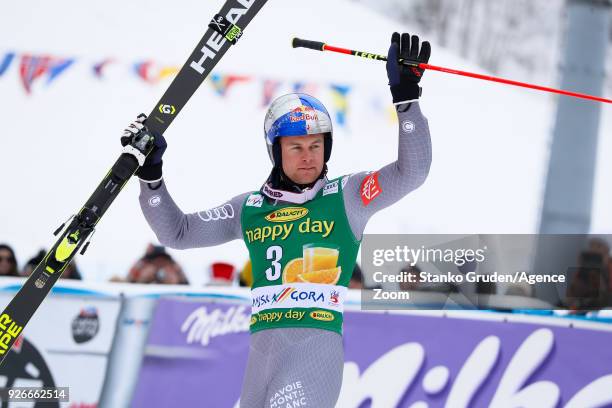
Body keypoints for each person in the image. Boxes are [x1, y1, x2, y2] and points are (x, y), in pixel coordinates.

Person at [122, 32, 431, 407]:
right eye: (296, 147)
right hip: (261, 359)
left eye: (316, 146)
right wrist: (151, 178)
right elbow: (178, 232)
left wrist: (407, 101)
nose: (308, 156)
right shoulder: (249, 208)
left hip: (314, 354)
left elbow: (411, 172)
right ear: (275, 151)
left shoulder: (347, 195)